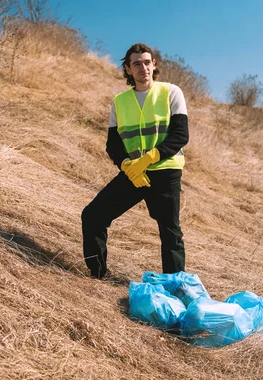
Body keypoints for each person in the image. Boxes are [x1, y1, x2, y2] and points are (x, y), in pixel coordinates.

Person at [81, 43, 189, 279]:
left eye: (147, 62)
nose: (143, 68)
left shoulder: (171, 92)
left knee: (170, 231)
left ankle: (174, 287)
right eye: (137, 64)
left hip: (165, 170)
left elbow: (181, 135)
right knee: (92, 216)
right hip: (134, 173)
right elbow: (113, 144)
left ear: (154, 65)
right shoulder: (120, 101)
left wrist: (151, 156)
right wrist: (127, 165)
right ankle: (98, 275)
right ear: (128, 69)